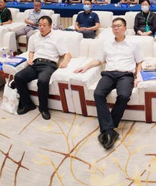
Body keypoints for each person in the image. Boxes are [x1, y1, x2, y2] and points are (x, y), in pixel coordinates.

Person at [74, 18, 143, 149]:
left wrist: (138, 76)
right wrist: (85, 66)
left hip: (125, 75)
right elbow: (98, 60)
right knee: (98, 94)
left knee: (124, 95)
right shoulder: (106, 43)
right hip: (109, 74)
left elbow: (139, 62)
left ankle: (108, 128)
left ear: (125, 28)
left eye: (119, 26)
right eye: (114, 26)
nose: (116, 28)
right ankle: (109, 130)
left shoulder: (134, 43)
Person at [15, 16, 71, 120]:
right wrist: (30, 59)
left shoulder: (57, 38)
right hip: (35, 63)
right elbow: (31, 51)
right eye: (40, 25)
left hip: (49, 65)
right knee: (18, 77)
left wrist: (65, 62)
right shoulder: (34, 37)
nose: (41, 27)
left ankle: (43, 108)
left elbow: (67, 54)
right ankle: (28, 104)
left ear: (50, 26)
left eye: (44, 25)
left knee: (42, 81)